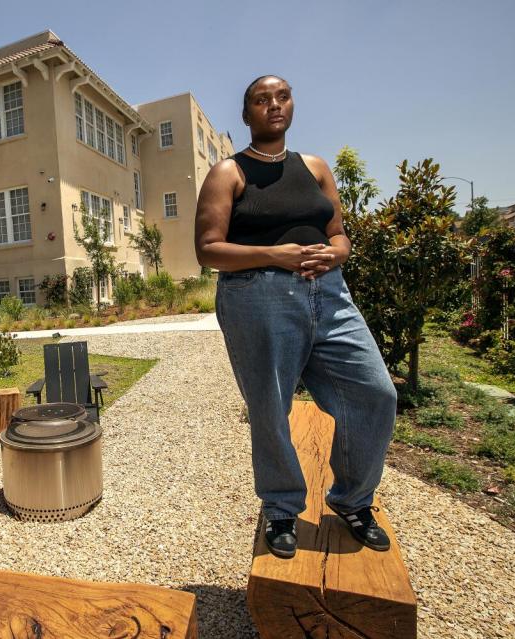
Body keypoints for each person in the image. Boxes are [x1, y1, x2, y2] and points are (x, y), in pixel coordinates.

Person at [194, 75, 398, 559]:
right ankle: (282, 508)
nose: (273, 105)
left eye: (282, 97)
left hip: (328, 294)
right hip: (257, 297)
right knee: (271, 407)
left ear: (292, 106)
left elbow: (340, 234)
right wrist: (273, 255)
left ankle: (352, 500)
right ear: (247, 116)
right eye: (261, 100)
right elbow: (207, 250)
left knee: (375, 393)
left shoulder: (315, 167)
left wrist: (334, 255)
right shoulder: (228, 172)